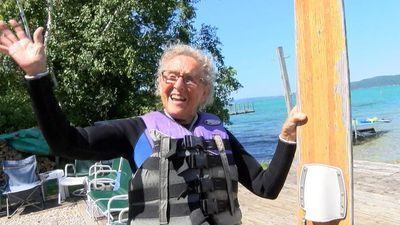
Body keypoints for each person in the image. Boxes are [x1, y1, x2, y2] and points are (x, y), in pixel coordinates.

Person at [0, 20, 307, 225]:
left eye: (189, 79)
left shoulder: (218, 133)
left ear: (204, 91)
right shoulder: (135, 131)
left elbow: (266, 188)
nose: (178, 85)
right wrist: (37, 76)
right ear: (160, 84)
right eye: (170, 76)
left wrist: (286, 135)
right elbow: (66, 142)